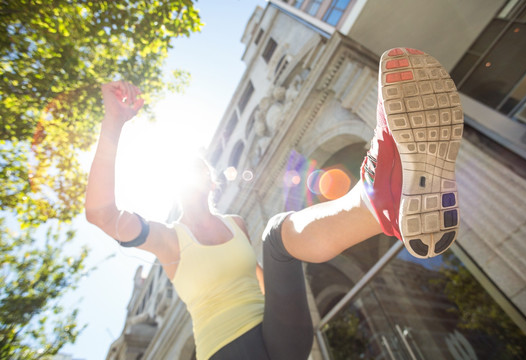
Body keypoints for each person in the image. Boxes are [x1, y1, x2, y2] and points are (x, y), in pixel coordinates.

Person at [85, 48, 462, 360]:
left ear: (210, 180)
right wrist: (114, 123)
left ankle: (383, 202)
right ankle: (381, 200)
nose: (193, 176)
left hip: (282, 338)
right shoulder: (168, 239)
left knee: (277, 236)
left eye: (199, 169)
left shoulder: (236, 224)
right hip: (224, 351)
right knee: (276, 235)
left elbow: (267, 286)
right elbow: (101, 214)